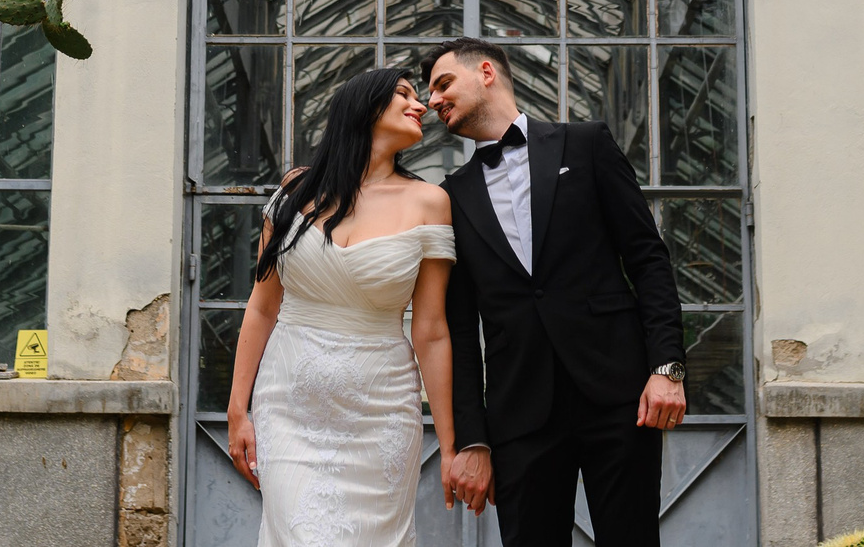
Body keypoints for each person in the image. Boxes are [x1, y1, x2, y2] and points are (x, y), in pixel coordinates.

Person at [422, 37, 685, 547]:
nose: (432, 101)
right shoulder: (450, 197)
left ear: (486, 72)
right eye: (430, 93)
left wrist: (666, 367)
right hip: (520, 416)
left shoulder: (585, 144)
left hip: (619, 396)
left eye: (443, 84)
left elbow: (647, 259)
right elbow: (457, 328)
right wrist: (472, 440)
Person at [224, 67, 459, 547]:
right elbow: (262, 306)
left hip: (382, 415)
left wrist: (451, 444)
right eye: (405, 95)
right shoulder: (294, 192)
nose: (422, 106)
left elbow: (431, 330)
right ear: (365, 106)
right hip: (289, 409)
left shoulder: (430, 202)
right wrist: (237, 410)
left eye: (422, 98)